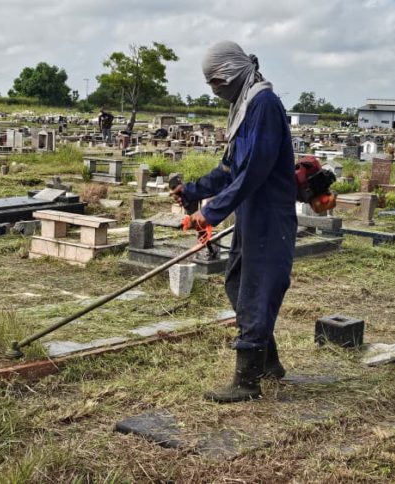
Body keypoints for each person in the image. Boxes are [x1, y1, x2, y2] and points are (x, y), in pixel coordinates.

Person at [170, 41, 296, 403]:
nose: (214, 89)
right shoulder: (243, 107)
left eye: (216, 81)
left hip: (269, 215)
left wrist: (210, 212)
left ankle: (247, 381)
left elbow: (254, 170)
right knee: (238, 281)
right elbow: (230, 168)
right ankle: (268, 362)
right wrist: (193, 190)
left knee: (256, 288)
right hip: (250, 213)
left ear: (234, 72)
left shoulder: (264, 104)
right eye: (211, 83)